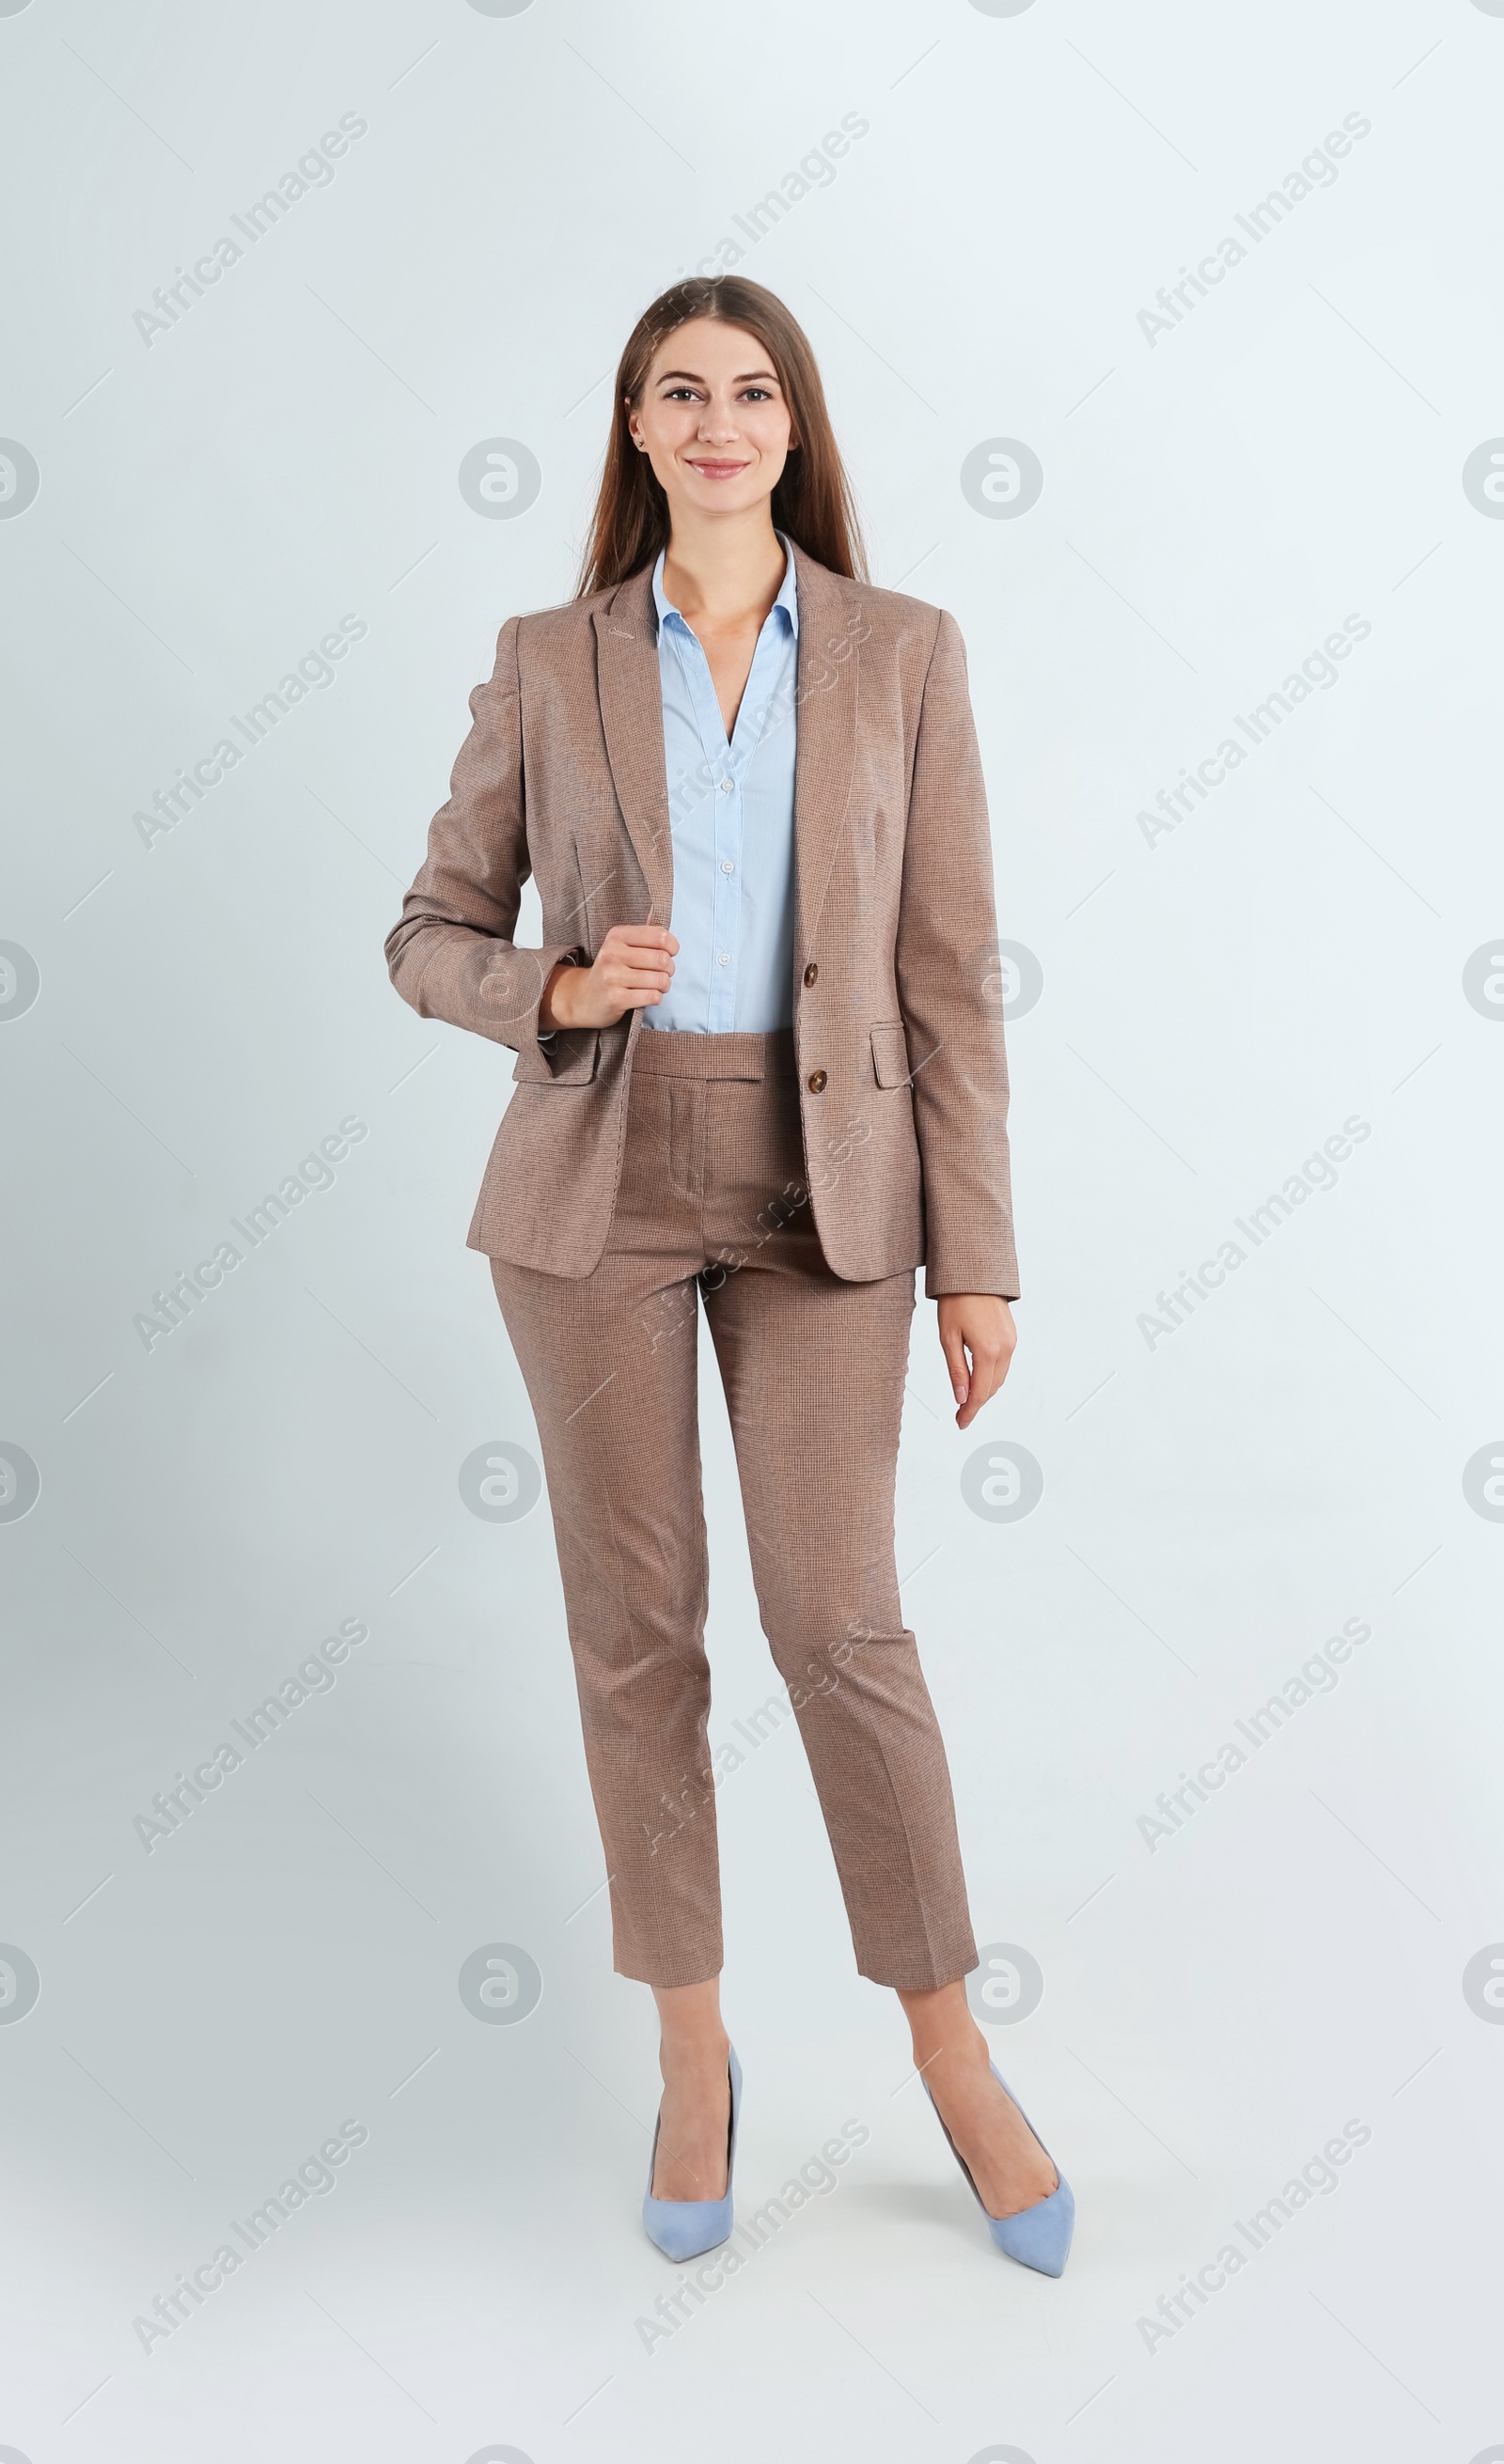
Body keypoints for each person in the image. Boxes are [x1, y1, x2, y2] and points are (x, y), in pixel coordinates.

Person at [384, 275, 1073, 2274]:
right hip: (596, 1181)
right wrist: (556, 987)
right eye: (676, 391)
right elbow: (427, 929)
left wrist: (981, 1259)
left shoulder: (902, 654)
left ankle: (949, 2050)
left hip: (831, 1189)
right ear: (629, 426)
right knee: (636, 1632)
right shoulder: (547, 658)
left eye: (749, 391)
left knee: (837, 1624)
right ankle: (693, 2052)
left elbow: (948, 980)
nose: (714, 420)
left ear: (795, 427)